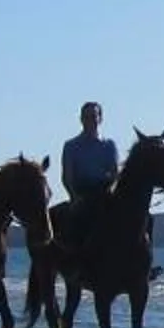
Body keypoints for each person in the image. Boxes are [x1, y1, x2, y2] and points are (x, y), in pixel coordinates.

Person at [57, 102, 119, 251]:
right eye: (86, 117)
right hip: (82, 192)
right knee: (79, 223)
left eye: (93, 116)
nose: (90, 120)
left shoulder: (109, 145)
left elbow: (115, 174)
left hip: (104, 192)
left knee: (142, 217)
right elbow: (67, 176)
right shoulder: (71, 146)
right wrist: (74, 196)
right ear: (81, 119)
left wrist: (111, 190)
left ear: (100, 119)